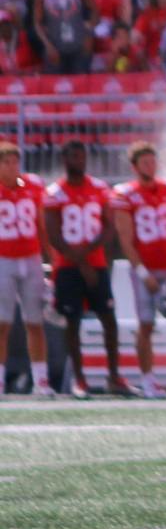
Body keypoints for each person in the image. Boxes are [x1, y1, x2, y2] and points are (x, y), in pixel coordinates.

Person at [41, 139, 123, 398]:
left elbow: (108, 227)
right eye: (75, 156)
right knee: (72, 322)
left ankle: (114, 377)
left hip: (96, 263)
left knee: (109, 319)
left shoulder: (99, 188)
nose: (80, 161)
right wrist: (81, 262)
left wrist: (88, 257)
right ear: (65, 160)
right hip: (67, 267)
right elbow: (54, 236)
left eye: (82, 156)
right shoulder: (55, 192)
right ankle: (80, 380)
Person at [109, 140, 166, 398]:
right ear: (134, 167)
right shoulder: (125, 194)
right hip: (145, 270)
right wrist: (142, 272)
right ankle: (148, 380)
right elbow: (125, 239)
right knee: (145, 324)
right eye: (145, 162)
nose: (150, 166)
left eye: (153, 161)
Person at [0, 140, 53, 397]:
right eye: (6, 162)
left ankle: (41, 381)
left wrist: (51, 258)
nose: (13, 167)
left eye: (15, 162)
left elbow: (42, 225)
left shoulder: (33, 185)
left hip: (31, 258)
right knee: (2, 324)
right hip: (3, 259)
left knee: (35, 322)